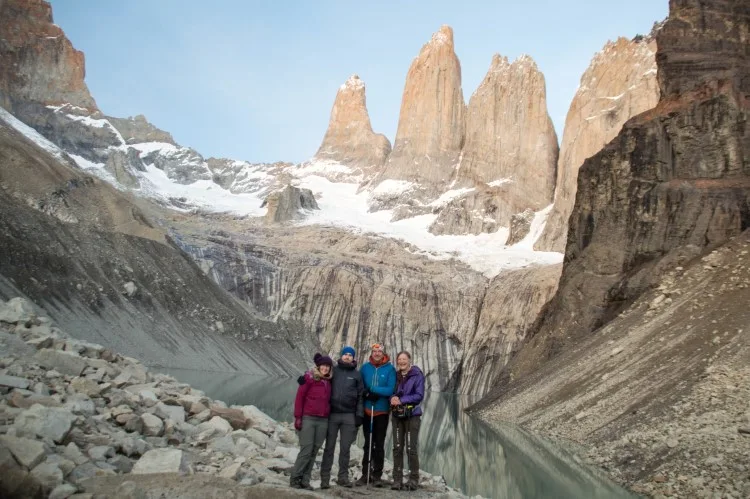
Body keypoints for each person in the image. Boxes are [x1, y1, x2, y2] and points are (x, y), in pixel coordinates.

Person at [319, 345, 364, 489]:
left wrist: (359, 415)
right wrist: (306, 378)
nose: (348, 357)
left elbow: (360, 396)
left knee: (345, 448)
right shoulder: (334, 371)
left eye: (350, 355)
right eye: (346, 354)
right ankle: (325, 479)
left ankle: (342, 478)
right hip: (332, 414)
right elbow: (320, 378)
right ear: (342, 356)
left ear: (353, 358)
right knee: (329, 448)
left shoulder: (357, 375)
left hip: (349, 415)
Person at [289, 353, 333, 490]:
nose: (325, 368)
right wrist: (298, 417)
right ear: (318, 366)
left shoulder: (329, 381)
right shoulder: (309, 378)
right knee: (306, 449)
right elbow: (300, 397)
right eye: (323, 366)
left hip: (323, 420)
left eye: (327, 366)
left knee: (314, 451)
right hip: (309, 418)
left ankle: (305, 480)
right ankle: (295, 478)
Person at [356, 343, 396, 487]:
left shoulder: (390, 369)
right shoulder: (365, 368)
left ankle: (377, 475)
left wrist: (372, 389)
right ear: (371, 353)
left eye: (379, 351)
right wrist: (366, 393)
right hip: (367, 411)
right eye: (374, 351)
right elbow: (359, 386)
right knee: (368, 443)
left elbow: (390, 389)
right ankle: (365, 474)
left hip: (381, 412)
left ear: (383, 353)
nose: (377, 353)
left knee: (379, 444)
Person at [390, 351, 425, 491]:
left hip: (412, 415)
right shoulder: (396, 375)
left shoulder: (417, 375)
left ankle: (413, 479)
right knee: (397, 447)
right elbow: (391, 392)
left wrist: (401, 400)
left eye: (404, 359)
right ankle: (397, 479)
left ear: (409, 360)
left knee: (411, 448)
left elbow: (419, 395)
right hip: (397, 416)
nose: (402, 362)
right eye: (399, 359)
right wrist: (391, 398)